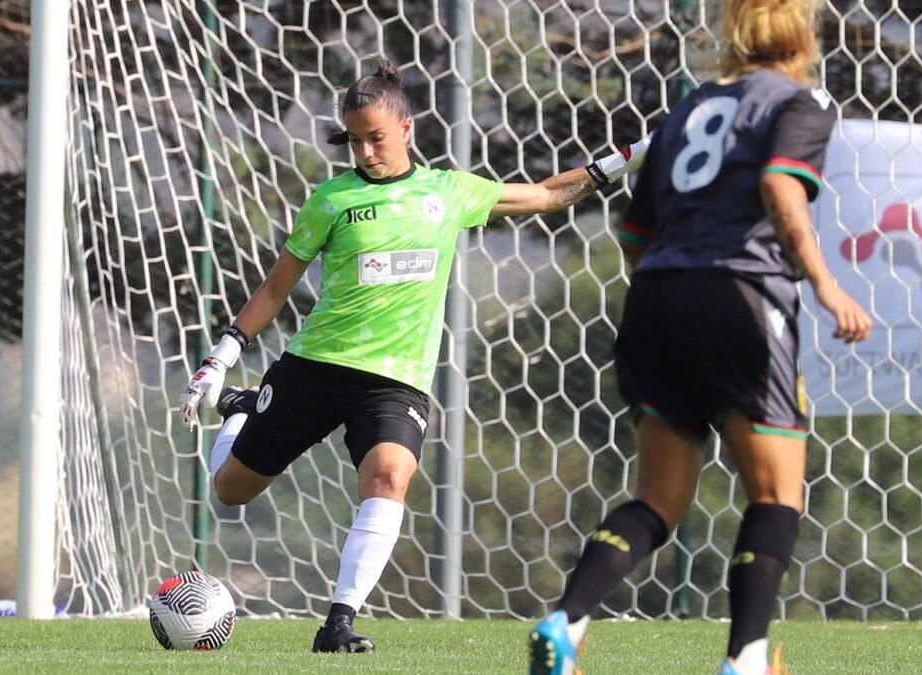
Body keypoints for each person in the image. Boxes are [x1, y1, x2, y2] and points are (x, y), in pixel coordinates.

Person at [178, 59, 650, 654]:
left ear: (406, 127)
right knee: (232, 491)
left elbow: (550, 196)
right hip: (315, 367)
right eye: (355, 140)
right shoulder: (332, 200)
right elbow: (276, 286)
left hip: (395, 380)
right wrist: (225, 353)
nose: (366, 151)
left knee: (389, 477)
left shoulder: (448, 192)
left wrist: (630, 157)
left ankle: (338, 623)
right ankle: (244, 412)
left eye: (375, 137)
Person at [526, 0, 873, 673]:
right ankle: (746, 658)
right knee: (776, 494)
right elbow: (780, 184)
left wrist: (670, 287)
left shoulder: (685, 111)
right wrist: (826, 284)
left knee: (658, 498)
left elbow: (632, 231)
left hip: (655, 297)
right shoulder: (800, 103)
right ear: (802, 34)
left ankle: (566, 620)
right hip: (741, 296)